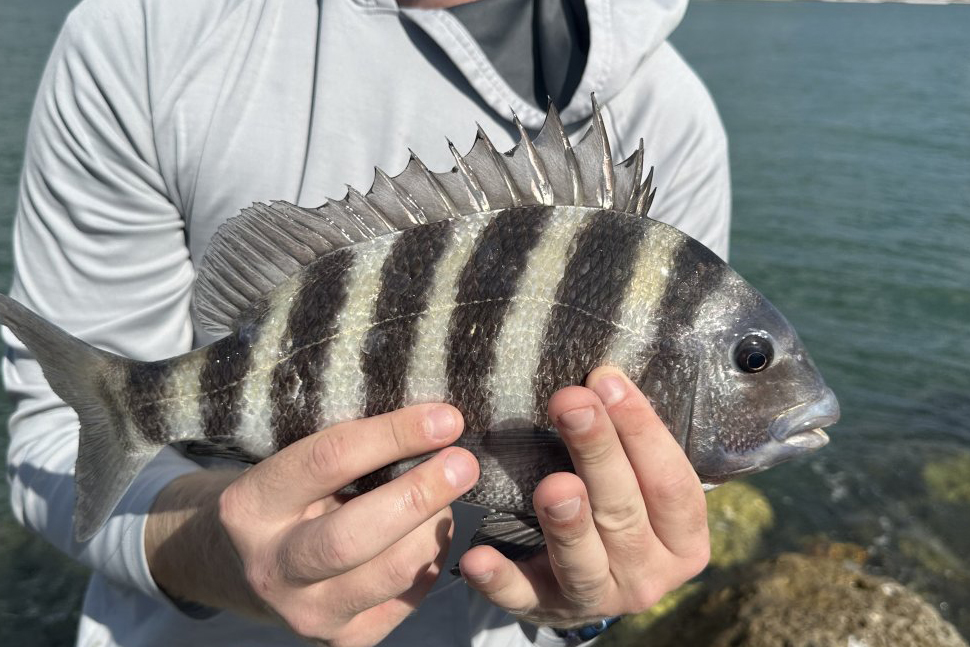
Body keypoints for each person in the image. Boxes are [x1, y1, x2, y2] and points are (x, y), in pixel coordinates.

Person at [3, 0, 729, 645]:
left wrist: (587, 600)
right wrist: (221, 550)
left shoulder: (664, 118)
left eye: (746, 358)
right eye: (750, 360)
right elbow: (49, 436)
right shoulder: (146, 35)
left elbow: (629, 521)